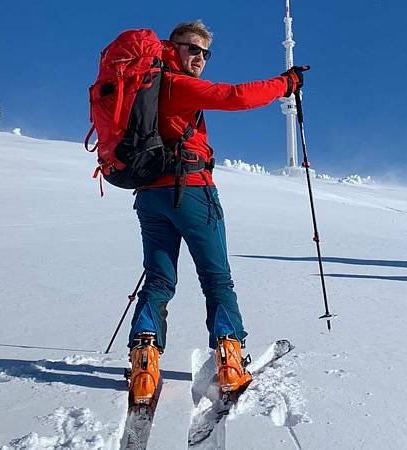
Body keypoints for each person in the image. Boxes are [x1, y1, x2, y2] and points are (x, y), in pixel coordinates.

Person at [126, 20, 307, 405]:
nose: (200, 58)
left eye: (205, 53)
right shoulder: (175, 84)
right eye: (192, 48)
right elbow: (236, 96)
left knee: (158, 281)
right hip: (192, 193)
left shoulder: (145, 88)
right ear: (171, 47)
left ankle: (144, 362)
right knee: (217, 279)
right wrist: (285, 84)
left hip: (150, 197)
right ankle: (230, 362)